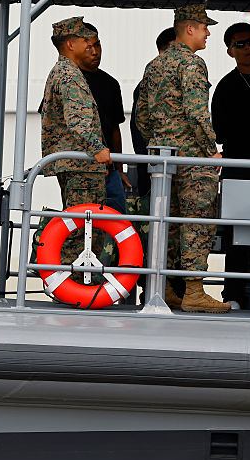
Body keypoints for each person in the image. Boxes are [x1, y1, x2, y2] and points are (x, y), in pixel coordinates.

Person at [136, 3, 228, 313]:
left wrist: (160, 141)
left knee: (167, 225)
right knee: (196, 222)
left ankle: (162, 287)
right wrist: (209, 148)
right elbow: (197, 112)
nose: (208, 33)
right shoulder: (192, 63)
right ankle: (193, 291)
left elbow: (141, 116)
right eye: (204, 28)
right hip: (192, 159)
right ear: (190, 29)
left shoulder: (155, 64)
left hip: (163, 158)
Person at [40, 16, 112, 272]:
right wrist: (98, 148)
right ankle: (73, 283)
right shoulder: (70, 75)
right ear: (71, 44)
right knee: (83, 227)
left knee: (81, 225)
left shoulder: (62, 71)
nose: (91, 46)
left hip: (74, 163)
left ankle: (74, 282)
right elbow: (78, 121)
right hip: (81, 165)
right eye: (85, 40)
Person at [211, 21, 250, 310]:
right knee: (236, 235)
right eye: (240, 44)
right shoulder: (226, 86)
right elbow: (218, 131)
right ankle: (232, 293)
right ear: (230, 51)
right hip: (238, 169)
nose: (248, 48)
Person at [77, 24, 129, 214]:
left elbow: (115, 128)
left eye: (98, 45)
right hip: (82, 167)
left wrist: (119, 169)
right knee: (83, 223)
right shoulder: (69, 80)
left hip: (110, 169)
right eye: (88, 47)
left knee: (117, 220)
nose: (95, 52)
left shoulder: (111, 83)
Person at [130, 28, 175, 197]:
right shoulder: (149, 84)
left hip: (179, 165)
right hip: (154, 166)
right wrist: (151, 160)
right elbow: (138, 124)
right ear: (162, 52)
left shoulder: (182, 81)